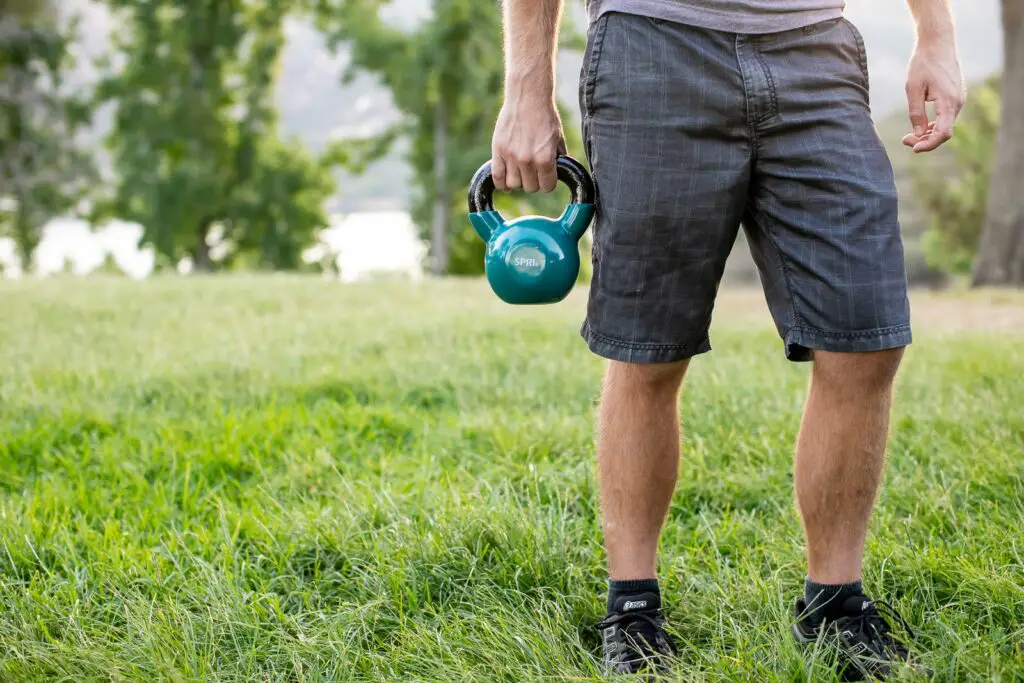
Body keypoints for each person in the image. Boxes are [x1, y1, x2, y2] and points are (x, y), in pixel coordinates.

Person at [490, 0, 965, 678]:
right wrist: (525, 91)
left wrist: (936, 35)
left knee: (866, 332)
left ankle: (833, 604)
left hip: (815, 49)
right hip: (652, 46)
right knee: (648, 344)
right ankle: (632, 607)